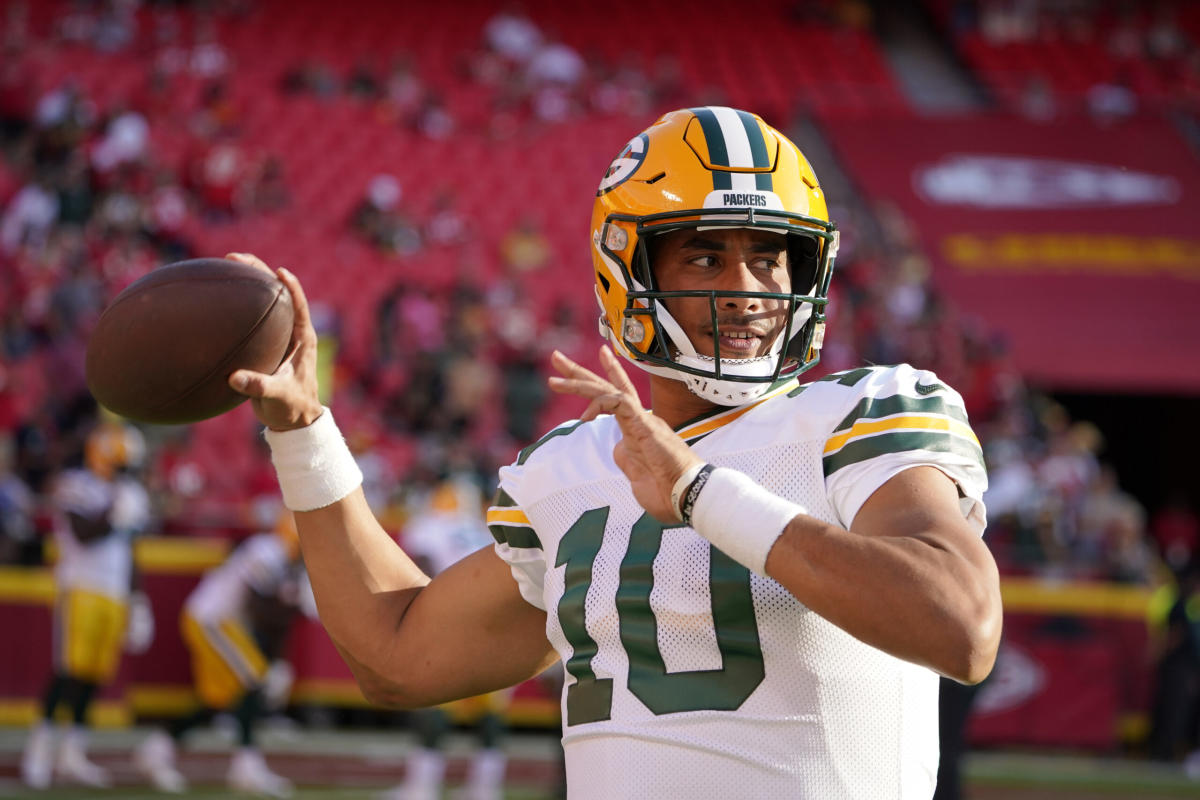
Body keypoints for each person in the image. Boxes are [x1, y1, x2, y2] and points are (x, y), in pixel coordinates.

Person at [227, 106, 1003, 798]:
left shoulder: (864, 414)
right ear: (627, 273)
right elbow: (398, 658)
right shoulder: (573, 470)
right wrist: (303, 432)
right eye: (705, 258)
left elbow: (960, 625)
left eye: (770, 257)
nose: (748, 290)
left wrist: (703, 494)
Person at [133, 510, 313, 797]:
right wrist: (293, 605)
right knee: (254, 680)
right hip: (211, 619)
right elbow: (261, 611)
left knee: (218, 699)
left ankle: (156, 750)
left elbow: (277, 622)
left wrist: (279, 660)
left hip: (220, 622)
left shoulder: (284, 561)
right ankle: (246, 768)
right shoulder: (267, 552)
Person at [20, 420, 154, 789]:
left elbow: (132, 551)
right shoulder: (77, 485)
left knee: (94, 676)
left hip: (114, 593)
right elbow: (82, 533)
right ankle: (40, 750)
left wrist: (137, 599)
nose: (129, 473)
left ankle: (72, 754)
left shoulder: (131, 495)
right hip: (80, 587)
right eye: (125, 464)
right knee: (68, 672)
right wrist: (113, 515)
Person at [384, 477, 513, 800]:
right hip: (497, 624)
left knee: (435, 702)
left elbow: (422, 570)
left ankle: (421, 787)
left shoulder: (428, 525)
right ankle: (485, 787)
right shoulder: (480, 529)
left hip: (455, 620)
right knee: (489, 711)